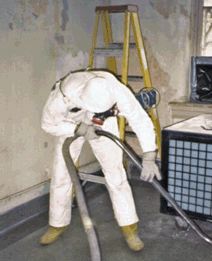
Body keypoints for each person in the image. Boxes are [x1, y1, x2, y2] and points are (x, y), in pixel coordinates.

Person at [40, 69, 162, 251]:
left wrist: (149, 157)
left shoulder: (116, 91)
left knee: (115, 173)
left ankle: (130, 227)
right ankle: (57, 223)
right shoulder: (63, 96)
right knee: (61, 173)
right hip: (71, 120)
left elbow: (140, 119)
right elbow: (47, 124)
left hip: (103, 119)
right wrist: (78, 130)